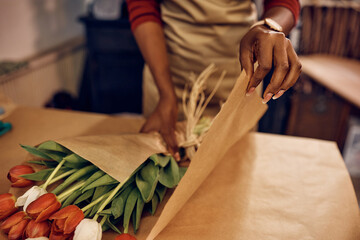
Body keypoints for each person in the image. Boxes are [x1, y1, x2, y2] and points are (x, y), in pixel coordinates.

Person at [126, 0, 302, 160]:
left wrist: (269, 27)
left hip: (240, 78)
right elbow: (142, 6)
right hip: (166, 75)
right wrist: (165, 93)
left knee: (232, 173)